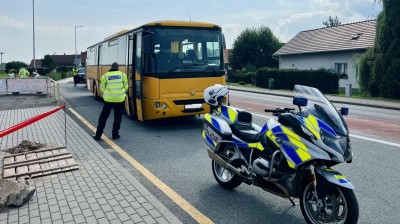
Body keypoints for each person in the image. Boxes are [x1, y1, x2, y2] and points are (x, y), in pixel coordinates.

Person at [93, 62, 128, 140]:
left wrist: (109, 93)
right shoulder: (123, 75)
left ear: (111, 67)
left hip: (108, 100)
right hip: (120, 99)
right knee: (118, 117)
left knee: (103, 117)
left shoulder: (105, 76)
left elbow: (102, 89)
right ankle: (115, 135)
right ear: (118, 68)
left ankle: (98, 135)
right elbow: (126, 87)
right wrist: (119, 93)